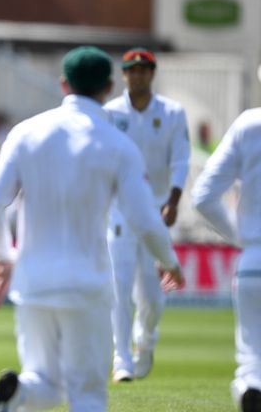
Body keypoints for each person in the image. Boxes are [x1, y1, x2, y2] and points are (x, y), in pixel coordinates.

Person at [0, 46, 184, 412]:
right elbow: (146, 219)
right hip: (88, 285)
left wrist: (6, 255)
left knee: (42, 382)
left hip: (34, 282)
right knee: (87, 393)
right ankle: (21, 394)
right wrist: (168, 260)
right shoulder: (118, 145)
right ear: (107, 87)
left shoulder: (26, 132)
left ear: (63, 84)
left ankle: (18, 395)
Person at [104, 47, 191, 382]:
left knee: (152, 297)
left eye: (143, 70)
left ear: (152, 74)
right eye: (131, 70)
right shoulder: (111, 112)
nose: (137, 75)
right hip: (121, 213)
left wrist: (174, 199)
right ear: (123, 75)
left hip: (156, 211)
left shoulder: (172, 112)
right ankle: (122, 357)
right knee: (120, 287)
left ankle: (146, 339)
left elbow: (181, 159)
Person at [191, 108, 261, 412]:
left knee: (253, 365)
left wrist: (244, 238)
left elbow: (203, 197)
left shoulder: (249, 123)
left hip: (255, 260)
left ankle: (253, 385)